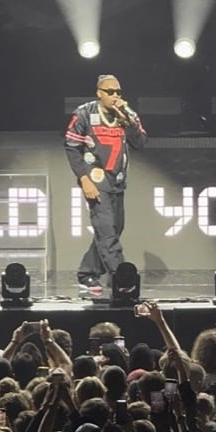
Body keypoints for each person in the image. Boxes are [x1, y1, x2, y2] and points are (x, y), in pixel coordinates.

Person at [64, 73, 146, 296]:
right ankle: (122, 279)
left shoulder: (127, 115)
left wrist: (127, 118)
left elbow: (140, 142)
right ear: (99, 93)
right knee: (107, 232)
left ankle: (87, 273)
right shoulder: (84, 113)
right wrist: (83, 179)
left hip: (117, 180)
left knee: (114, 229)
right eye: (110, 92)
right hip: (95, 180)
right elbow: (71, 146)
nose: (115, 95)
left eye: (118, 92)